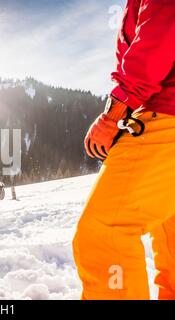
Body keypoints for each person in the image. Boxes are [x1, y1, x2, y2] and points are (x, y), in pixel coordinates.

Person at [74, 0, 175, 299]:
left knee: (104, 231)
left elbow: (158, 38)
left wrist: (114, 114)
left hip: (166, 115)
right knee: (170, 234)